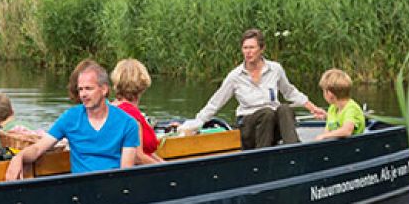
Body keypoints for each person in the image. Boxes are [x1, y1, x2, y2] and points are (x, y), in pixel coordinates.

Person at [179, 28, 324, 148]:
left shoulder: (275, 69)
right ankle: (262, 155)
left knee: (285, 109)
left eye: (252, 48)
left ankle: (294, 150)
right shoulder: (235, 76)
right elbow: (215, 103)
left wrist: (313, 108)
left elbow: (290, 92)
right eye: (245, 48)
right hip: (249, 128)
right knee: (266, 113)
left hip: (271, 124)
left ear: (261, 49)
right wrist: (197, 123)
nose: (248, 52)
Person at [4, 60, 139, 180]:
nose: (83, 94)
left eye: (88, 89)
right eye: (80, 89)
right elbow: (39, 148)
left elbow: (124, 174)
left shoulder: (128, 124)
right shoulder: (70, 118)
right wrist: (19, 157)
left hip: (112, 187)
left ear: (104, 89)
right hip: (79, 190)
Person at [110, 58, 163, 164]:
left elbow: (145, 151)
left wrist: (164, 164)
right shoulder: (131, 115)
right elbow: (137, 156)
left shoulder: (112, 107)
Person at [314, 68, 367, 140]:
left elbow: (347, 131)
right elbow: (328, 129)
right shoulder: (333, 108)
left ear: (329, 94)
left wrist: (323, 136)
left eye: (323, 91)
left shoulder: (351, 109)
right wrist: (326, 116)